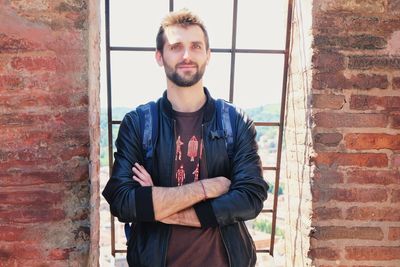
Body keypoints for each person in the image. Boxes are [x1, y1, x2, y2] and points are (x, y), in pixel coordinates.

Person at [102, 9, 269, 267]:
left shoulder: (234, 121)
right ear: (160, 56)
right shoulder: (138, 123)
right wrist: (206, 189)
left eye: (196, 46)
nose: (187, 55)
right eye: (176, 46)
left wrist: (160, 206)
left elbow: (251, 198)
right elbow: (122, 202)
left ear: (208, 55)